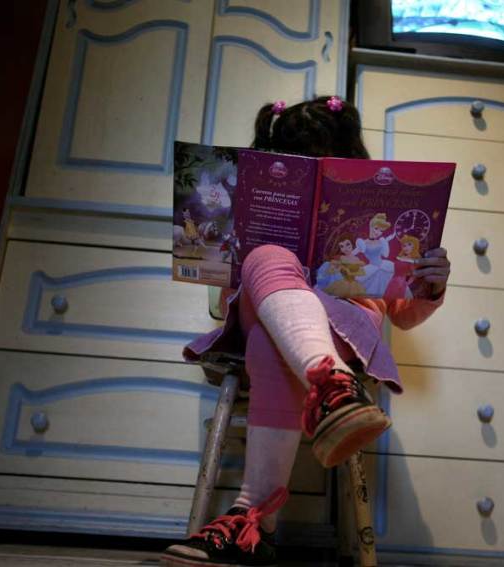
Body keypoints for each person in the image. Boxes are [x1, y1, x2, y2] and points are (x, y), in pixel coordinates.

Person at [161, 96, 450, 567]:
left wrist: (430, 285)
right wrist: (218, 244)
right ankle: (334, 389)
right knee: (264, 258)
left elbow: (403, 313)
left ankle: (252, 523)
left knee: (266, 343)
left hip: (345, 323)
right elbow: (219, 287)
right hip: (271, 307)